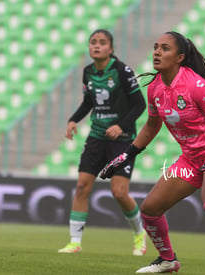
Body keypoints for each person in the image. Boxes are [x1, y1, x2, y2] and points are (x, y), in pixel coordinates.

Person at [100, 31, 205, 273]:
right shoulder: (155, 88)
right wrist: (126, 155)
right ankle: (168, 260)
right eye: (156, 47)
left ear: (180, 57)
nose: (157, 52)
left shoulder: (197, 86)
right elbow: (151, 127)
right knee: (150, 209)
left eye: (165, 48)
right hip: (191, 159)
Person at [58, 29, 147, 256]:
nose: (96, 46)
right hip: (97, 136)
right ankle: (75, 242)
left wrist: (121, 126)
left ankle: (139, 234)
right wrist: (72, 120)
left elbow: (139, 104)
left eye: (102, 43)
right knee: (81, 187)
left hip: (122, 140)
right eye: (93, 42)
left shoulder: (122, 71)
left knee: (118, 192)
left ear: (111, 49)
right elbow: (89, 102)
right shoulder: (88, 72)